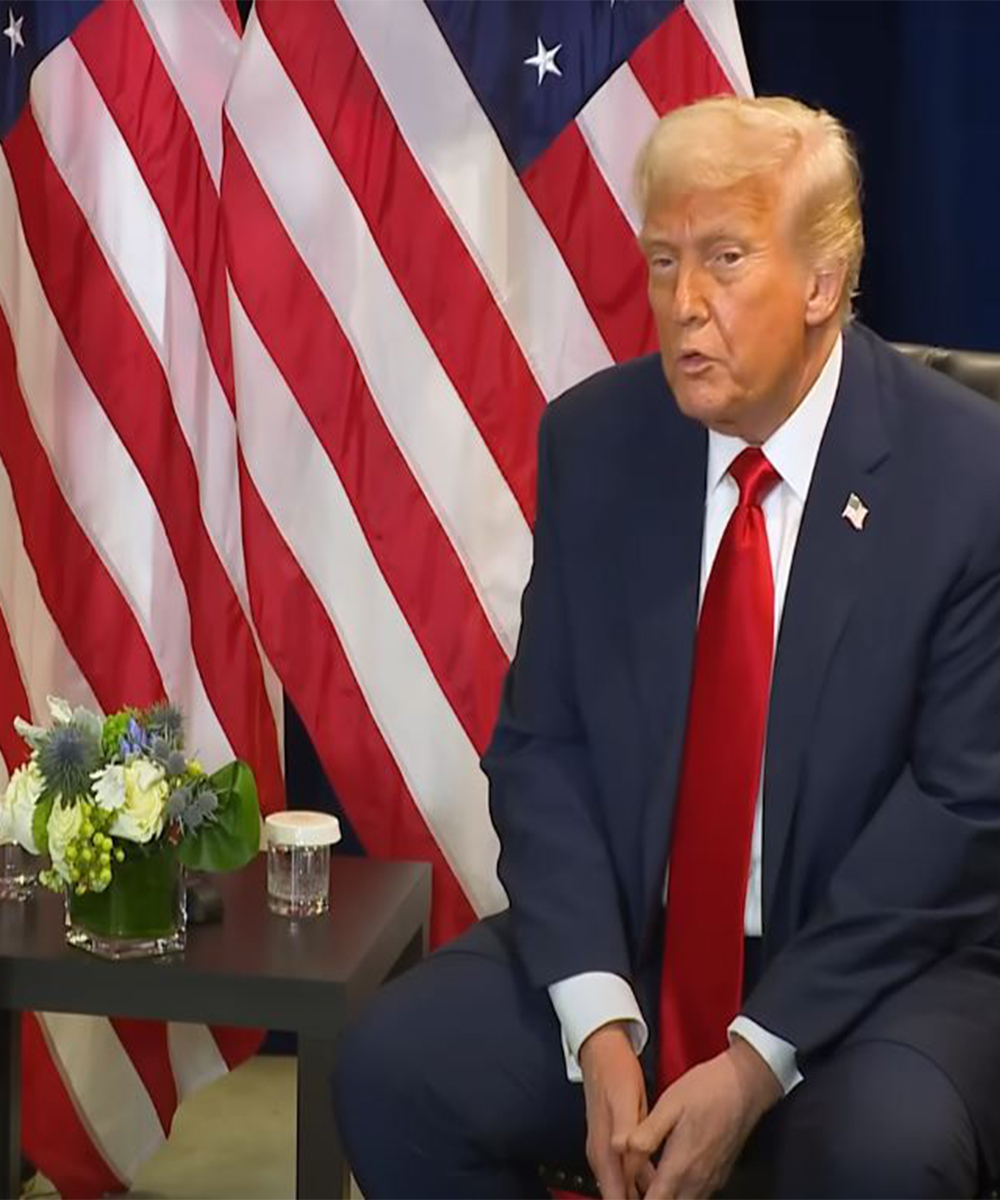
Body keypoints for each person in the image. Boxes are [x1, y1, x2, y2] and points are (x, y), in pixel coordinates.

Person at [334, 94, 1000, 1198]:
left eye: (725, 260)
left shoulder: (966, 476)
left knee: (879, 1156)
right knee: (394, 1073)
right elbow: (541, 749)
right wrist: (598, 1024)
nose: (683, 303)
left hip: (882, 975)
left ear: (822, 283)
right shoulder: (598, 442)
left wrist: (753, 1061)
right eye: (661, 262)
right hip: (643, 952)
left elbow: (959, 812)